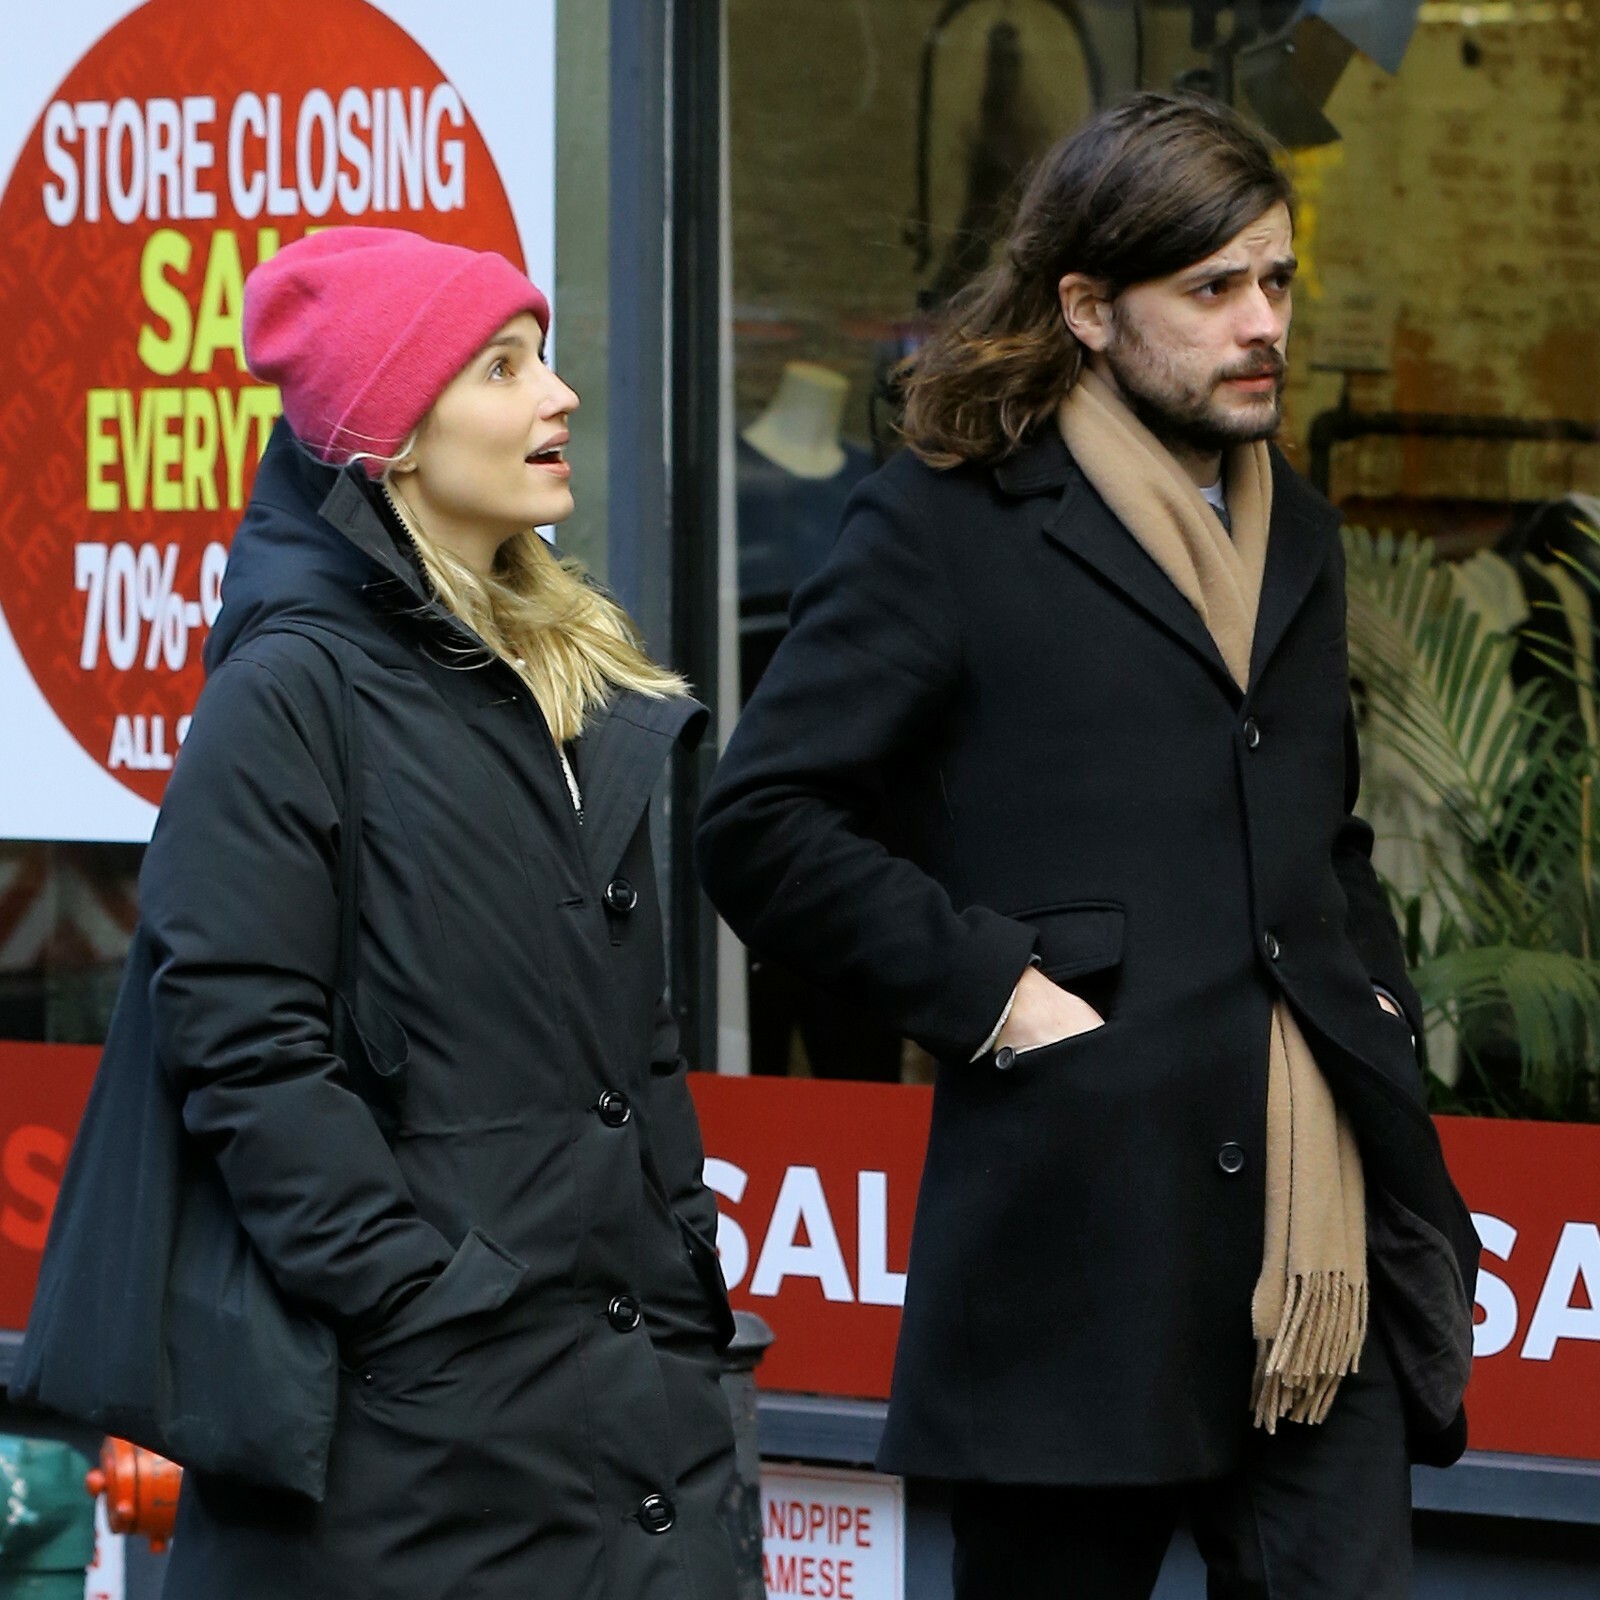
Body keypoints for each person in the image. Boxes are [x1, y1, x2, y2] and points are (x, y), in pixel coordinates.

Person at [695, 93, 1478, 1600]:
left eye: (1278, 281)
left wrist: (1379, 1018)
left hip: (1317, 1267)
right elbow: (762, 826)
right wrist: (999, 995)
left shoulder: (1300, 535)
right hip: (1080, 1253)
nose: (1264, 322)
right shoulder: (946, 526)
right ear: (1088, 308)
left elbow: (1325, 842)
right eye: (1213, 287)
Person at [144, 228, 738, 1598]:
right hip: (423, 1436)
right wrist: (416, 1301)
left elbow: (629, 1045)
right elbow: (238, 1038)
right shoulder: (292, 691)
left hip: (625, 1393)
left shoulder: (568, 679)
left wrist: (681, 1246)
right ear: (395, 435)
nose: (560, 395)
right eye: (503, 367)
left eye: (545, 357)